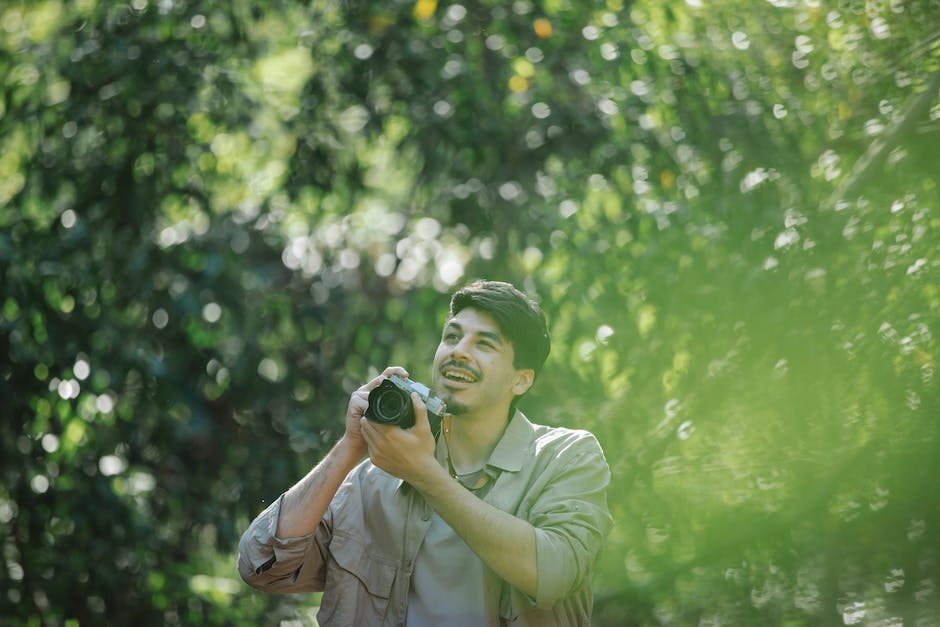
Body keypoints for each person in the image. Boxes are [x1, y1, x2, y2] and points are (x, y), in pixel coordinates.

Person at [238, 280, 612, 626]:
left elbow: (554, 572)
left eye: (485, 344)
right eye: (452, 337)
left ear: (522, 379)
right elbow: (261, 566)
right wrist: (351, 446)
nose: (459, 352)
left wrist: (424, 474)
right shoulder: (374, 479)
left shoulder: (566, 457)